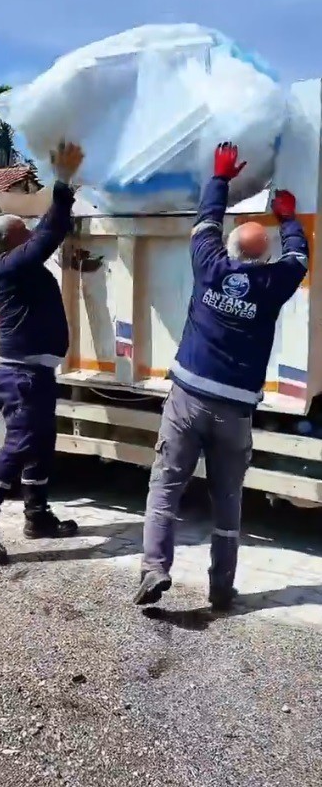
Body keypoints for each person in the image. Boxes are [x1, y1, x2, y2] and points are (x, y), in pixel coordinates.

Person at [135, 142, 309, 610]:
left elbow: (205, 221)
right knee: (228, 501)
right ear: (263, 258)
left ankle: (155, 569)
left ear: (230, 250)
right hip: (235, 411)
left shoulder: (209, 267)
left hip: (188, 398)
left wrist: (220, 177)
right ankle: (220, 589)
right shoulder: (272, 286)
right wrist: (287, 217)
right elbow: (299, 259)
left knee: (166, 486)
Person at [0, 142, 84, 565]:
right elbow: (50, 234)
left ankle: (37, 516)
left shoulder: (19, 266)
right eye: (24, 232)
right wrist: (63, 183)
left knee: (42, 441)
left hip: (34, 372)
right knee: (22, 441)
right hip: (21, 374)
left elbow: (46, 235)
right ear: (12, 241)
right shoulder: (12, 266)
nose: (31, 234)